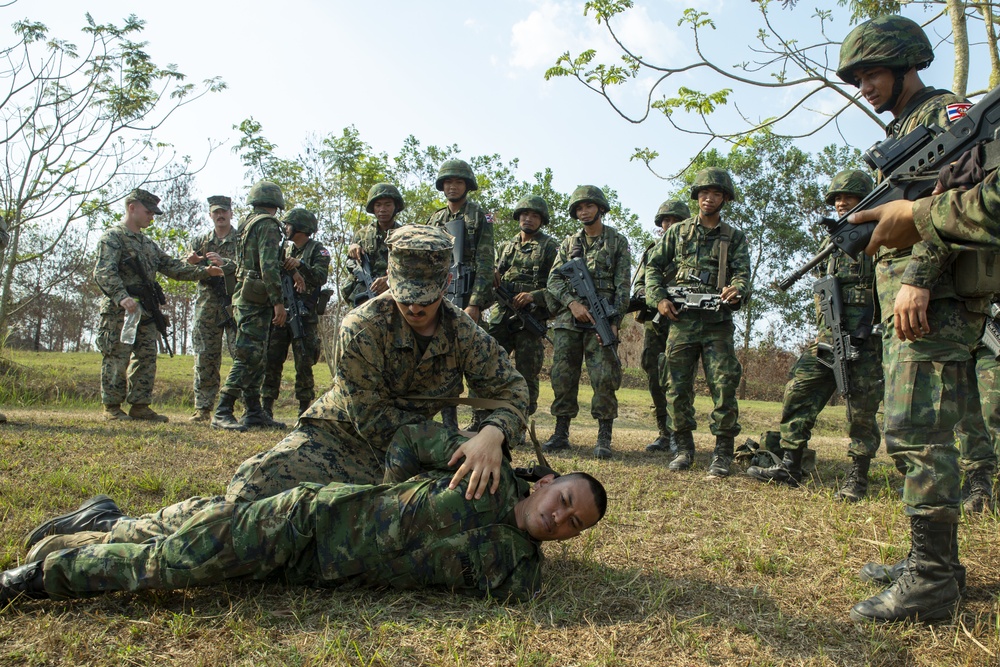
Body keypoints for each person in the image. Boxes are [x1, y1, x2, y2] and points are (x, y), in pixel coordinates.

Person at [23, 226, 529, 548]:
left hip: (419, 458)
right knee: (243, 506)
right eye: (405, 296)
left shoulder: (463, 330)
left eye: (427, 297)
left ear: (445, 287)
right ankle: (112, 528)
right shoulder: (361, 326)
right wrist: (454, 447)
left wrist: (492, 436)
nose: (415, 307)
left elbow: (512, 391)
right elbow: (372, 420)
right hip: (340, 440)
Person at [3, 422, 607, 605]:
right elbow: (407, 442)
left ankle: (107, 521)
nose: (560, 520)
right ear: (547, 482)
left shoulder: (519, 571)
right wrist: (485, 438)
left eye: (573, 525)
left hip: (308, 571)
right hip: (307, 520)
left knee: (193, 532)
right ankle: (33, 582)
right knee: (176, 565)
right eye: (563, 502)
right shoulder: (482, 472)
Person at [834, 15, 987, 624]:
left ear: (904, 64)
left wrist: (919, 276)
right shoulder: (907, 127)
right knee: (910, 430)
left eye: (870, 72)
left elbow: (957, 199)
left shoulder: (948, 115)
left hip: (935, 296)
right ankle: (936, 564)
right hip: (913, 296)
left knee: (917, 432)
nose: (862, 85)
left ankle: (931, 582)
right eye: (856, 77)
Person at [747, 171, 884, 499]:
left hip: (867, 339)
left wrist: (872, 330)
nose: (840, 202)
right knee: (798, 390)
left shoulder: (882, 235)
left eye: (847, 197)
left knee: (861, 409)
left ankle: (858, 476)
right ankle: (790, 464)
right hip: (828, 337)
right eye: (836, 198)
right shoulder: (832, 241)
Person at [644, 168, 750, 479]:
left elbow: (743, 275)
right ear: (696, 196)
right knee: (676, 386)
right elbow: (653, 266)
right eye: (704, 192)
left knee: (724, 385)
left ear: (725, 198)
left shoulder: (735, 237)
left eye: (716, 193)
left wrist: (738, 289)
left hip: (717, 323)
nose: (709, 197)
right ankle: (683, 447)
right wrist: (659, 299)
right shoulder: (678, 233)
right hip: (681, 322)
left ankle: (722, 452)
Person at [93, 188, 223, 422]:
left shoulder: (148, 245)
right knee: (117, 356)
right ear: (132, 208)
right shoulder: (113, 238)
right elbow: (103, 272)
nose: (151, 217)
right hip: (120, 310)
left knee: (146, 356)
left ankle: (140, 405)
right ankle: (111, 407)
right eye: (148, 212)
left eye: (153, 213)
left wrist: (205, 272)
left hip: (145, 311)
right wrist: (121, 297)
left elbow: (173, 267)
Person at [543, 185, 631, 460]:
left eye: (589, 206)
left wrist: (614, 320)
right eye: (579, 208)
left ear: (600, 208)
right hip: (570, 320)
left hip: (601, 317)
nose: (584, 211)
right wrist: (572, 303)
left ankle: (604, 436)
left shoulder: (617, 241)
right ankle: (561, 433)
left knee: (604, 377)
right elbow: (553, 279)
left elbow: (623, 286)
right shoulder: (569, 244)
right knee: (562, 376)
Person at [426, 160, 496, 432]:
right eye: (447, 183)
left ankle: (480, 419)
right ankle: (448, 421)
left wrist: (476, 303)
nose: (451, 187)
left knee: (475, 360)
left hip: (467, 296)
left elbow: (486, 261)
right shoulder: (435, 219)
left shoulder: (480, 216)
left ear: (467, 186)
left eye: (457, 182)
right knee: (442, 360)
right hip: (441, 296)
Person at [212, 180, 287, 432]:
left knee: (258, 356)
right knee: (247, 356)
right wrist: (278, 302)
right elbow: (268, 266)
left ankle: (253, 411)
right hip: (256, 298)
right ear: (276, 202)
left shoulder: (247, 224)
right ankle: (223, 409)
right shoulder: (267, 225)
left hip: (247, 295)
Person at [483, 195, 559, 419]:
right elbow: (492, 274)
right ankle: (484, 416)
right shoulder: (507, 246)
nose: (528, 219)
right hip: (502, 316)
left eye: (534, 215)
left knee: (527, 373)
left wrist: (534, 296)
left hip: (529, 318)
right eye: (525, 214)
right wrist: (492, 271)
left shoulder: (550, 247)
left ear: (542, 220)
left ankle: (521, 418)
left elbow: (558, 286)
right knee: (491, 367)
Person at [261, 208, 331, 419]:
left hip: (304, 316)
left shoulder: (318, 250)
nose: (286, 229)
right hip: (283, 312)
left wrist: (301, 265)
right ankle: (266, 406)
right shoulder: (284, 250)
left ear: (300, 227)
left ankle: (304, 408)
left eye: (289, 225)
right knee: (272, 358)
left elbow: (320, 277)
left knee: (304, 362)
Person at [634, 200, 690, 453]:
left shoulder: (692, 251)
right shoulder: (652, 251)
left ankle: (680, 433)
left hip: (683, 322)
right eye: (665, 221)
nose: (669, 225)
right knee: (654, 374)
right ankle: (664, 433)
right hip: (655, 323)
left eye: (674, 220)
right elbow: (638, 286)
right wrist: (655, 296)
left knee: (678, 379)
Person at [187, 195, 239, 423]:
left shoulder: (241, 240)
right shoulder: (200, 241)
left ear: (231, 213)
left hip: (235, 303)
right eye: (216, 212)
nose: (220, 215)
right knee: (205, 355)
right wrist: (201, 268)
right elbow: (185, 269)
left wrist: (225, 265)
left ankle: (245, 407)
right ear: (210, 215)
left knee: (241, 354)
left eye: (224, 211)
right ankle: (203, 408)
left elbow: (250, 268)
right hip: (207, 305)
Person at [344, 183, 403, 306]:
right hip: (366, 296)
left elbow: (412, 268)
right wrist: (353, 250)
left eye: (388, 204)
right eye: (378, 205)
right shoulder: (362, 235)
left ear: (396, 207)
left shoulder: (405, 234)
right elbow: (351, 264)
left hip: (396, 295)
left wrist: (388, 280)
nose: (382, 209)